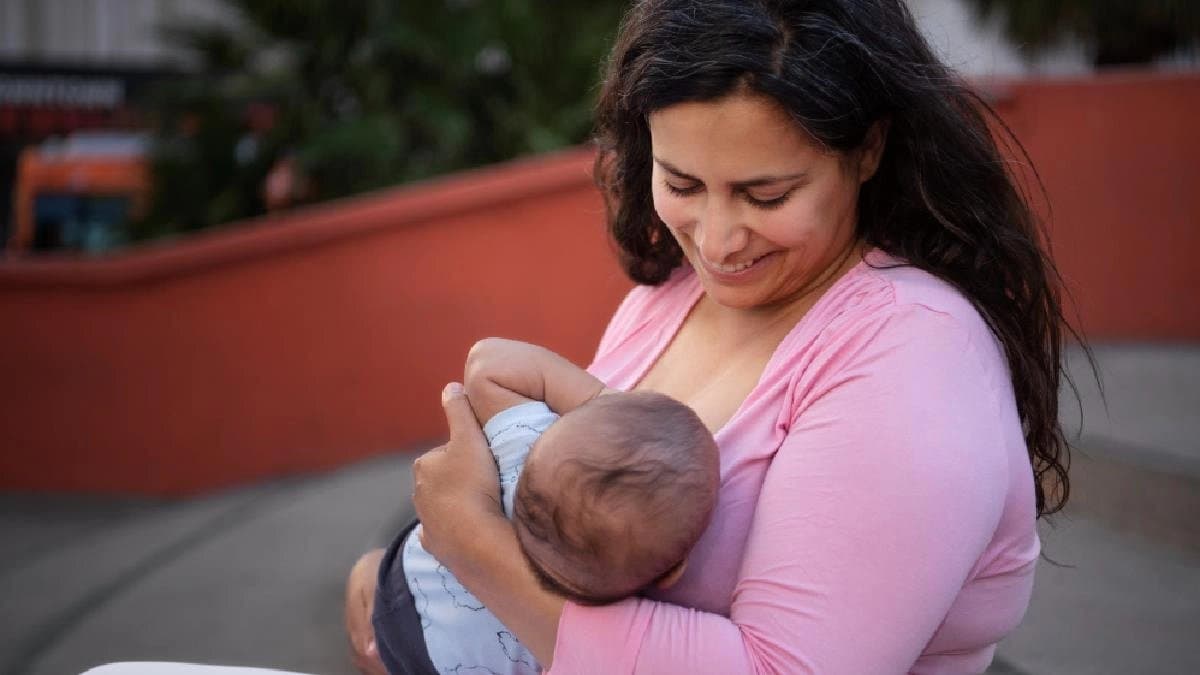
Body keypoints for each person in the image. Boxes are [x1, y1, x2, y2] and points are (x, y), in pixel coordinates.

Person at [349, 1, 1078, 673]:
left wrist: (475, 554)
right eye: (684, 184)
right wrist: (414, 590)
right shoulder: (670, 296)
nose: (720, 242)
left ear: (868, 149)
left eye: (767, 195)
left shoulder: (914, 356)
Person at [369, 338, 719, 675]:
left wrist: (600, 399)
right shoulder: (623, 601)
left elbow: (488, 363)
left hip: (409, 578)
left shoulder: (528, 439)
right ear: (672, 573)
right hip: (449, 663)